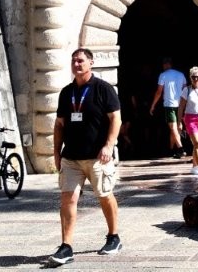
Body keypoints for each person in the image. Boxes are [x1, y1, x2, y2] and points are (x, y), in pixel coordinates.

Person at [49, 48, 122, 266]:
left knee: (104, 195)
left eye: (80, 60)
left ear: (91, 63)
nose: (76, 64)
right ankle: (66, 246)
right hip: (71, 157)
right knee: (67, 198)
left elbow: (116, 119)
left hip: (98, 156)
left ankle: (114, 237)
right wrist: (56, 152)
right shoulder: (66, 92)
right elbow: (59, 125)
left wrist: (109, 145)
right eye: (74, 61)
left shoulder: (103, 89)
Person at [149, 57, 187, 158]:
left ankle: (180, 148)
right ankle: (172, 149)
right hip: (180, 104)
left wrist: (153, 105)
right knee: (176, 127)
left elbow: (159, 92)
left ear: (165, 65)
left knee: (173, 127)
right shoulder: (181, 74)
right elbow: (185, 89)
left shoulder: (163, 75)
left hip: (170, 104)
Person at [179, 67, 198, 176]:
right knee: (197, 143)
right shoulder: (186, 90)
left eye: (197, 77)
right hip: (190, 119)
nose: (195, 79)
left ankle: (194, 166)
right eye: (193, 77)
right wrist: (179, 122)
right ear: (190, 77)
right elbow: (181, 107)